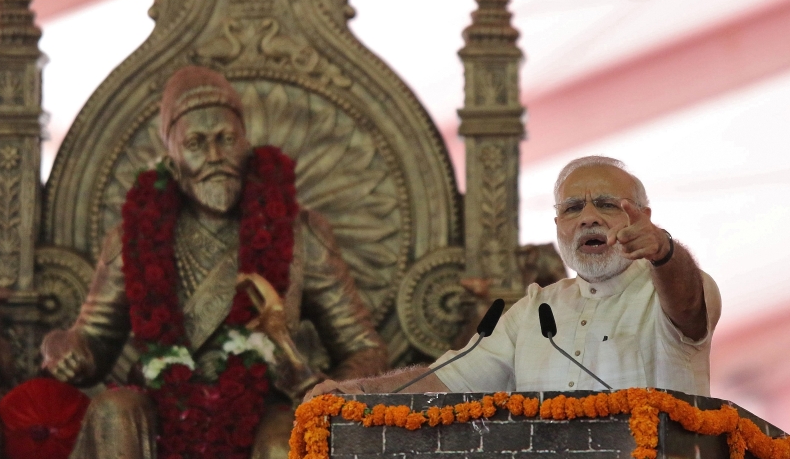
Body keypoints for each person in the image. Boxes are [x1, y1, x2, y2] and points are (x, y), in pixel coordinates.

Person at [41, 66, 388, 459]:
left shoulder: (300, 232)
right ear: (171, 158)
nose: (215, 155)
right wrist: (63, 347)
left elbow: (364, 348)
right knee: (113, 410)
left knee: (285, 444)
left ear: (247, 144)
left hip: (265, 405)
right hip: (165, 408)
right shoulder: (133, 238)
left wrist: (330, 392)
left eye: (226, 139)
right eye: (196, 143)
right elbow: (92, 339)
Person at [305, 156, 721, 400]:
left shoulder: (666, 289)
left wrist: (664, 251)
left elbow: (686, 306)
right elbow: (445, 380)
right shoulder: (534, 313)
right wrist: (356, 394)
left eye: (607, 204)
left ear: (643, 217)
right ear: (558, 225)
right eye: (573, 208)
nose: (588, 217)